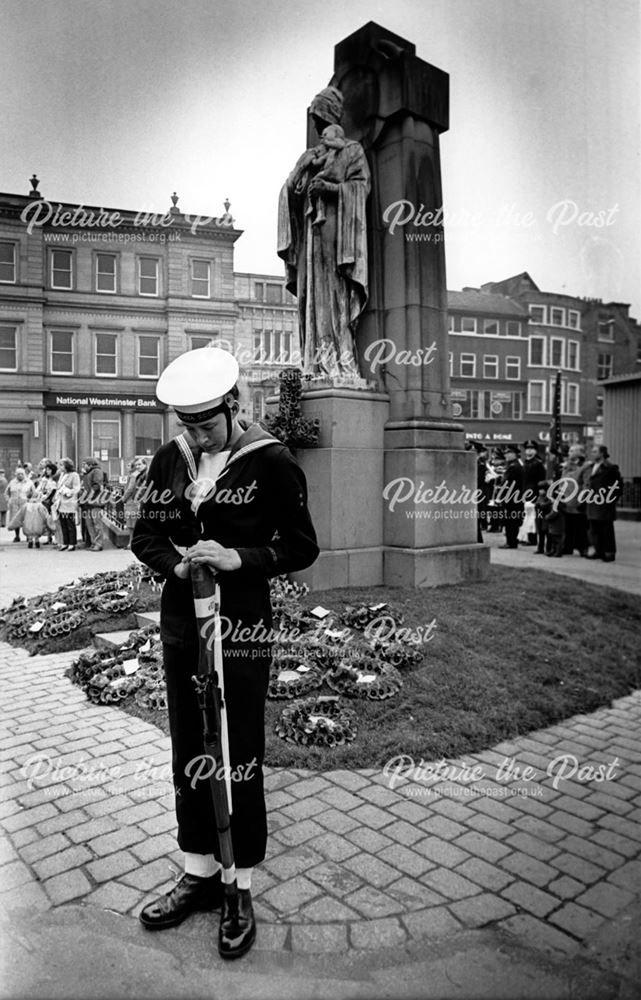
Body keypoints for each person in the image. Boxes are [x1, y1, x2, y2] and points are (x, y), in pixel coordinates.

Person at [131, 347, 318, 959]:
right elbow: (145, 536)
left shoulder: (271, 461)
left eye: (205, 424)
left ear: (232, 407)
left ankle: (238, 885)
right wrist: (178, 566)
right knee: (191, 741)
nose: (195, 435)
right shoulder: (171, 459)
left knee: (236, 746)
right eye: (185, 424)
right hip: (185, 623)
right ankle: (198, 872)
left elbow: (301, 546)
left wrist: (241, 559)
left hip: (240, 627)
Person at [278, 85, 370, 377]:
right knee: (308, 300)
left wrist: (330, 189)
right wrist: (297, 174)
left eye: (320, 119)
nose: (317, 126)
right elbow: (289, 194)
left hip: (335, 237)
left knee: (331, 299)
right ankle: (313, 362)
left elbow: (360, 187)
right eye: (315, 121)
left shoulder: (352, 151)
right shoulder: (309, 157)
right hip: (308, 240)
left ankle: (337, 362)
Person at [585, 445, 623, 562]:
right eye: (592, 451)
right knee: (595, 528)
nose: (593, 453)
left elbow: (618, 486)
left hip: (605, 503)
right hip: (593, 502)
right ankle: (598, 550)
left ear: (602, 453)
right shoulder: (591, 467)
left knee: (606, 529)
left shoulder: (610, 468)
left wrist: (611, 499)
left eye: (595, 451)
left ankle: (609, 553)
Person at [498, 445, 524, 549]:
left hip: (512, 497)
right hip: (513, 497)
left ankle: (511, 541)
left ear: (514, 454)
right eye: (506, 454)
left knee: (511, 520)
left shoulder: (514, 467)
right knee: (512, 519)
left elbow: (507, 483)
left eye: (509, 453)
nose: (506, 456)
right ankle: (512, 540)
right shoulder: (514, 465)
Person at [521, 440, 546, 545]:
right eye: (527, 449)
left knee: (532, 516)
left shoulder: (537, 464)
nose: (529, 451)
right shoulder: (525, 462)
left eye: (531, 449)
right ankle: (526, 537)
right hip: (525, 492)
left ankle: (532, 539)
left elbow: (541, 479)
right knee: (527, 516)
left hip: (533, 492)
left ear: (535, 451)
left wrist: (540, 492)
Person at [80, 457, 107, 551]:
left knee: (97, 524)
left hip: (95, 501)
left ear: (90, 464)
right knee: (89, 523)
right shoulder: (87, 473)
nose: (83, 466)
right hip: (87, 502)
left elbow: (97, 484)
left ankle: (98, 543)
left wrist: (89, 495)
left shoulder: (97, 471)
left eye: (85, 464)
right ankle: (94, 542)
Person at [54, 458, 80, 551]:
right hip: (61, 502)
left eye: (62, 465)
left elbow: (76, 488)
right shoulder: (62, 475)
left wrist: (68, 491)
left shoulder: (74, 475)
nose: (60, 467)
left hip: (69, 501)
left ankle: (72, 543)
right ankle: (65, 542)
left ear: (67, 466)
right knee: (63, 523)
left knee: (70, 524)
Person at [5, 467, 34, 542]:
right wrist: (9, 500)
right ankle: (17, 536)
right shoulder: (12, 482)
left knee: (26, 520)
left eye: (22, 474)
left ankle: (28, 536)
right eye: (18, 474)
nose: (20, 475)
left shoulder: (29, 482)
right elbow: (6, 493)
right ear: (16, 475)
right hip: (14, 503)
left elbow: (34, 493)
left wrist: (31, 500)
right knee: (16, 520)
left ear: (24, 474)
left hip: (25, 503)